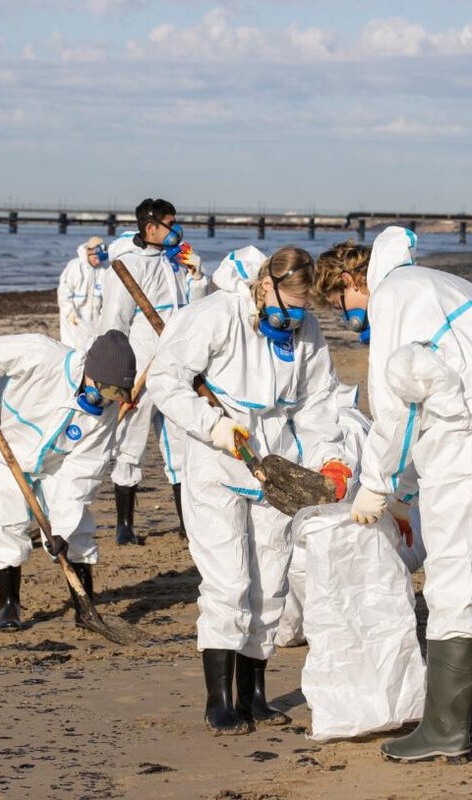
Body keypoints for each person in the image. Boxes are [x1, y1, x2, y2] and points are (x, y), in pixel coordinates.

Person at [340, 226, 472, 762]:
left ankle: (444, 729)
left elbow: (400, 401)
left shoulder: (393, 298)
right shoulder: (447, 286)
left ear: (357, 280)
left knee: (454, 576)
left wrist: (375, 486)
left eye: (343, 300)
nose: (350, 314)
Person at [144, 245, 347, 735]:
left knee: (270, 584)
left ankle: (254, 693)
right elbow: (165, 380)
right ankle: (218, 700)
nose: (292, 319)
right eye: (285, 307)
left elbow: (318, 403)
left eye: (301, 312)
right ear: (264, 286)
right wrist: (211, 424)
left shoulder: (306, 330)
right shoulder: (216, 316)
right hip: (216, 464)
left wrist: (331, 459)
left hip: (274, 471)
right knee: (228, 582)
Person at [0, 329, 136, 632]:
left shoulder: (105, 412)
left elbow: (84, 469)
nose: (105, 401)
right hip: (3, 443)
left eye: (115, 397)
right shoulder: (40, 355)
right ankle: (9, 605)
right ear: (90, 373)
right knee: (4, 522)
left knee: (77, 528)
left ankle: (84, 607)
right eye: (105, 392)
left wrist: (63, 529)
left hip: (59, 461)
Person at [100, 198, 209, 545]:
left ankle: (186, 522)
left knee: (179, 441)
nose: (177, 229)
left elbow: (193, 311)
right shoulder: (125, 266)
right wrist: (115, 374)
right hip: (140, 365)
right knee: (130, 442)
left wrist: (197, 277)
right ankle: (124, 526)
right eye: (170, 223)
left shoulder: (173, 262)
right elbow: (113, 323)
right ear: (151, 228)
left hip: (174, 363)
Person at [57, 236, 109, 351]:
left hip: (94, 320)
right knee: (72, 349)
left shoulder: (104, 270)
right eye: (96, 258)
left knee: (92, 350)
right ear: (89, 253)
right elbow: (64, 293)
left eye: (101, 259)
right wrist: (70, 311)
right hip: (74, 319)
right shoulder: (74, 267)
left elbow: (107, 297)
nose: (98, 261)